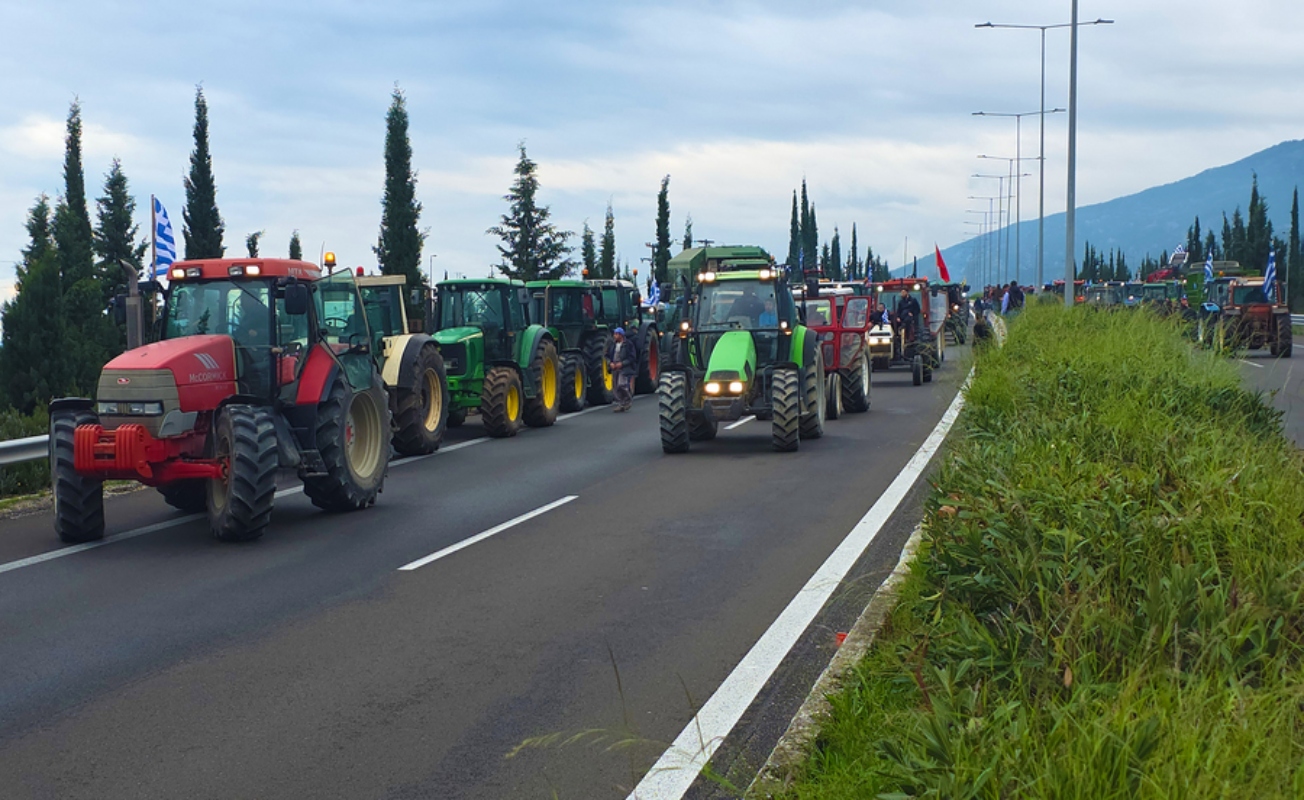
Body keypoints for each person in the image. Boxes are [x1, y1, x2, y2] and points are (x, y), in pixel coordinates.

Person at [608, 327, 639, 412]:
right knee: (615, 388)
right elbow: (607, 355)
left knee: (621, 385)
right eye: (614, 334)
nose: (614, 336)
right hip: (614, 368)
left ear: (621, 335)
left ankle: (628, 399)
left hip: (624, 368)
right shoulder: (612, 345)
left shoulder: (628, 344)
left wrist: (622, 364)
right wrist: (610, 363)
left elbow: (632, 357)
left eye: (616, 334)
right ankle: (621, 404)